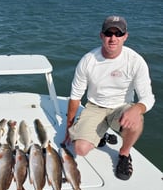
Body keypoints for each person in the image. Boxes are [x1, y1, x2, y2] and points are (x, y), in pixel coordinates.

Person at [64, 16, 155, 180]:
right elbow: (76, 96)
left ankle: (124, 154)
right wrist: (69, 127)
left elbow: (148, 97)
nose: (113, 38)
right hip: (94, 106)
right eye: (108, 33)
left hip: (121, 107)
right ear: (101, 36)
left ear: (125, 36)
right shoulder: (88, 60)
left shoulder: (135, 61)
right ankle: (101, 133)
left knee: (137, 121)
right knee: (80, 149)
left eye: (118, 33)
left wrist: (137, 108)